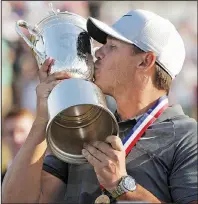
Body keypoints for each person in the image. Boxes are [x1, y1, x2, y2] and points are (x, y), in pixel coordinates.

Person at [2, 9, 197, 204]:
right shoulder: (82, 122)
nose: (98, 52)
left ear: (145, 61)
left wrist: (122, 186)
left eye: (112, 46)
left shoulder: (187, 136)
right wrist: (42, 120)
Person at [2, 107, 34, 182]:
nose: (16, 139)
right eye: (10, 133)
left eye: (22, 131)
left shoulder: (51, 177)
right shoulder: (2, 182)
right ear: (3, 138)